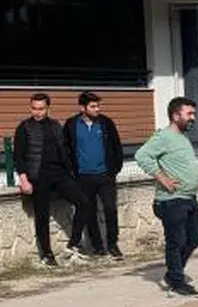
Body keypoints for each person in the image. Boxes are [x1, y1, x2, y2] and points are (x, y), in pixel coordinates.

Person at [133, 97, 198, 297]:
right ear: (175, 115)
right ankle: (177, 281)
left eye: (193, 114)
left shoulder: (182, 137)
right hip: (171, 200)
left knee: (194, 236)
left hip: (188, 198)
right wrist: (162, 178)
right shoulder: (164, 136)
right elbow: (142, 155)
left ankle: (173, 274)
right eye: (189, 114)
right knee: (176, 241)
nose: (193, 118)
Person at [13, 92, 88, 268]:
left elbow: (65, 151)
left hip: (59, 174)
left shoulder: (55, 126)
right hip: (37, 176)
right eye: (34, 108)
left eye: (41, 109)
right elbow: (19, 157)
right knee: (42, 217)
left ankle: (73, 244)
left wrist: (70, 173)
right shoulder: (24, 127)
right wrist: (24, 180)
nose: (37, 112)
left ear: (48, 108)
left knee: (84, 202)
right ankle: (47, 255)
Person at [63, 91, 124, 259]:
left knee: (110, 209)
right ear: (82, 107)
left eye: (98, 105)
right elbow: (65, 150)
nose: (97, 109)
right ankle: (97, 246)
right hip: (83, 177)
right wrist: (71, 173)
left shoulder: (106, 123)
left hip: (105, 176)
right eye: (93, 106)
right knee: (89, 212)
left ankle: (112, 244)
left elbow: (116, 147)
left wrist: (113, 171)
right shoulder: (71, 124)